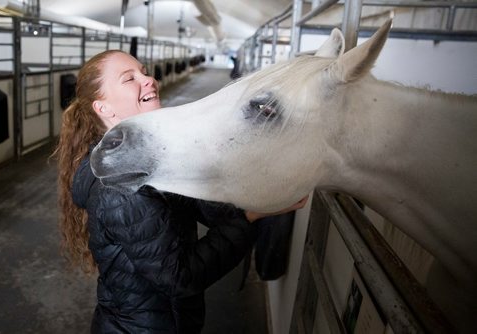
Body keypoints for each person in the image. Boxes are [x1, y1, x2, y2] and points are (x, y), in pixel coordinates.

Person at [55, 50, 308, 334]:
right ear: (104, 108)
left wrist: (257, 194)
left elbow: (199, 205)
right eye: (130, 79)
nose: (149, 80)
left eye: (144, 71)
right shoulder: (123, 187)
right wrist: (247, 218)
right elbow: (180, 277)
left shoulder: (143, 158)